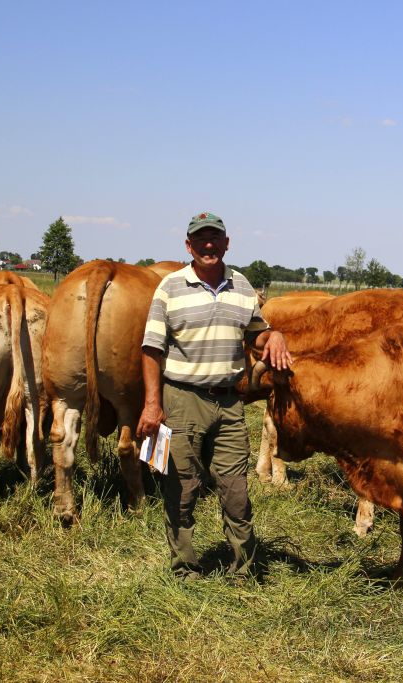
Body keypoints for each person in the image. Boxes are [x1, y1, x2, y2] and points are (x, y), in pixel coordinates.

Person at [136, 211, 292, 579]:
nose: (209, 245)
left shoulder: (240, 285)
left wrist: (276, 336)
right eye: (200, 239)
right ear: (189, 246)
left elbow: (257, 334)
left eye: (215, 238)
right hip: (182, 397)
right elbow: (151, 349)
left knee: (236, 489)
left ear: (226, 243)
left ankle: (244, 570)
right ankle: (184, 568)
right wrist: (152, 403)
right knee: (182, 487)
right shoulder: (170, 287)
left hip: (229, 400)